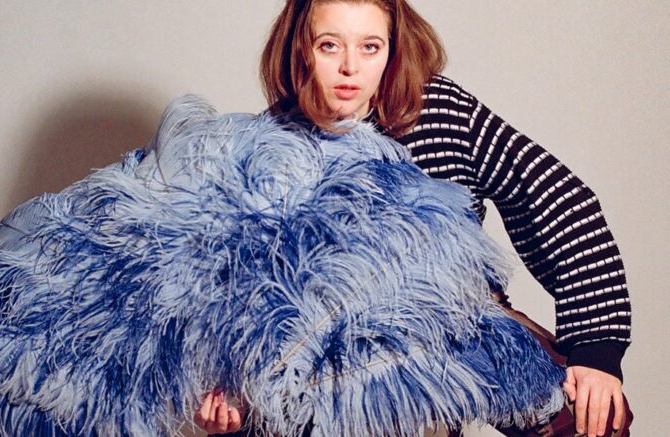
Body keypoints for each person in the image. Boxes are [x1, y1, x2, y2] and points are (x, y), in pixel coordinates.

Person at [194, 1, 632, 436]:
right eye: (329, 45)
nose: (350, 67)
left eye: (370, 47)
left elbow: (557, 197)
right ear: (299, 49)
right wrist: (223, 385)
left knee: (596, 419)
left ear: (392, 49)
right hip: (323, 358)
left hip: (458, 327)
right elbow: (237, 283)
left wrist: (596, 351)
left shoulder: (437, 111)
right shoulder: (268, 146)